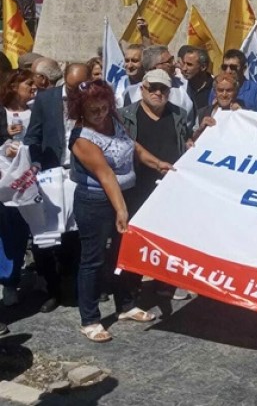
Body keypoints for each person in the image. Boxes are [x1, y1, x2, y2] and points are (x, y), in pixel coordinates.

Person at [68, 80, 172, 342]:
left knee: (122, 253)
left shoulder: (113, 121)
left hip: (125, 195)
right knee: (93, 260)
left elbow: (133, 147)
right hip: (95, 202)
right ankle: (90, 319)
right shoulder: (81, 138)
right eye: (94, 110)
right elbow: (105, 175)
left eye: (104, 108)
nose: (100, 114)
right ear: (81, 110)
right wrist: (121, 211)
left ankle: (126, 305)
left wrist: (157, 163)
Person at [25, 63, 91, 313]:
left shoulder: (90, 97)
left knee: (76, 235)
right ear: (64, 79)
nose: (76, 93)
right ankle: (53, 290)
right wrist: (34, 161)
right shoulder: (46, 100)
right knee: (48, 237)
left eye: (81, 87)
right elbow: (33, 136)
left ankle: (74, 287)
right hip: (50, 173)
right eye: (72, 88)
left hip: (79, 172)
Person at [119, 70, 190, 300]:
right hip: (137, 186)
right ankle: (130, 288)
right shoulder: (125, 115)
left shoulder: (179, 114)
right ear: (142, 89)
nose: (158, 93)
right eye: (153, 88)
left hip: (169, 189)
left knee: (166, 237)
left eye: (163, 89)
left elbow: (187, 141)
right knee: (134, 237)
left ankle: (165, 282)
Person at [0, 70, 38, 306]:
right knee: (6, 229)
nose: (34, 87)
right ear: (13, 86)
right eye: (28, 83)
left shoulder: (36, 112)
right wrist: (5, 139)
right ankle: (8, 280)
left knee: (23, 227)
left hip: (30, 177)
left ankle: (18, 275)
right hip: (4, 178)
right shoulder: (1, 112)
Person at [180, 47, 213, 114]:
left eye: (189, 65)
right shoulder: (179, 85)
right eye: (183, 63)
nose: (184, 68)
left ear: (203, 67)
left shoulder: (215, 88)